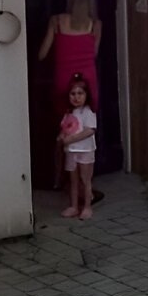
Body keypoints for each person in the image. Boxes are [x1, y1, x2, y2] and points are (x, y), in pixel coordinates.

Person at [37, 0, 100, 112]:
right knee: (86, 119)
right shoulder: (95, 24)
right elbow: (94, 53)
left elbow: (42, 54)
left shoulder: (56, 21)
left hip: (64, 78)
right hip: (87, 80)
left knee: (65, 119)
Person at [58, 75, 97, 220]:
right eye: (73, 94)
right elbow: (65, 128)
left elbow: (90, 130)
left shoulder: (88, 112)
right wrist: (61, 136)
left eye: (80, 93)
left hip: (85, 150)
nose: (76, 97)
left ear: (86, 95)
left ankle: (87, 207)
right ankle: (74, 206)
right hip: (71, 151)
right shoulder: (69, 113)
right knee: (73, 180)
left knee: (85, 179)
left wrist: (72, 139)